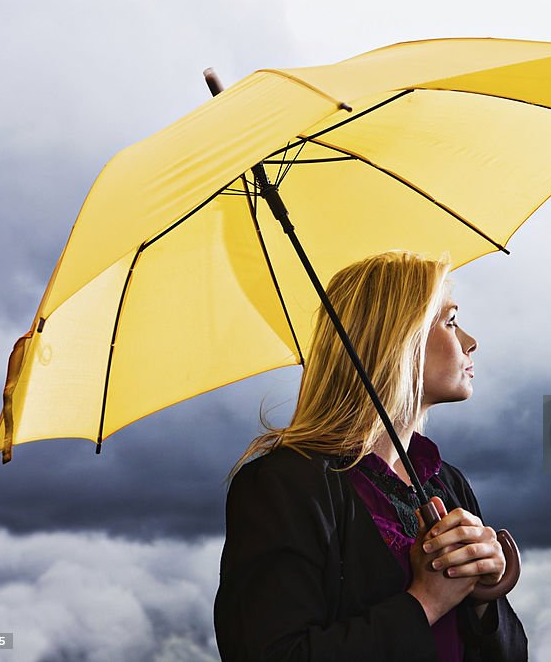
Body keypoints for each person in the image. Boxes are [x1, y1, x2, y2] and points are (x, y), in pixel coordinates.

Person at [214, 251, 528, 661]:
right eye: (450, 321)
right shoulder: (283, 485)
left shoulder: (446, 484)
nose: (471, 342)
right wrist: (425, 603)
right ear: (399, 338)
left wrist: (483, 596)